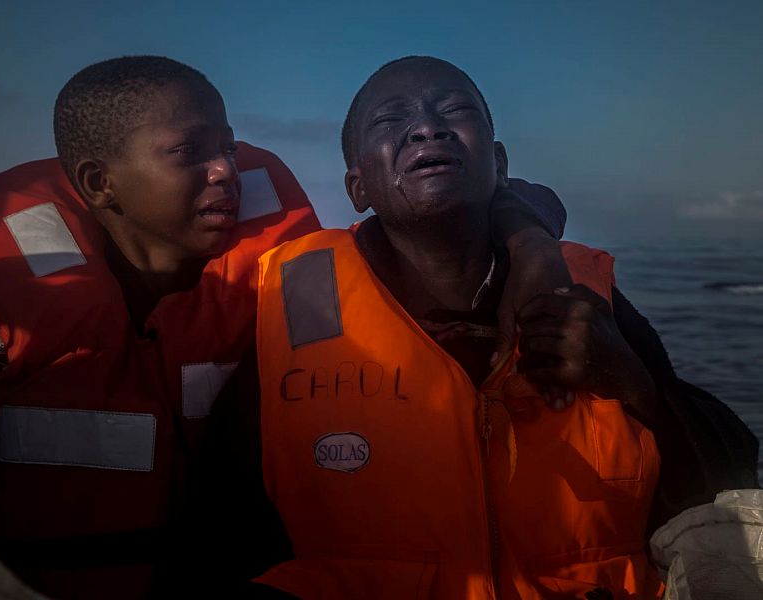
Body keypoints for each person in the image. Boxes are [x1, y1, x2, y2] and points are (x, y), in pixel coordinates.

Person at [0, 56, 568, 600]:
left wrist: (532, 244)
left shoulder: (287, 297)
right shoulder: (2, 348)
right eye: (190, 152)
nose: (224, 171)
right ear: (101, 184)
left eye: (229, 149)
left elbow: (453, 220)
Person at [206, 56, 760, 599]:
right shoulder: (293, 310)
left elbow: (727, 475)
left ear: (498, 162)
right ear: (358, 188)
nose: (427, 127)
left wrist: (632, 380)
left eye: (454, 110)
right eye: (390, 120)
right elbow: (221, 528)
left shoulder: (588, 293)